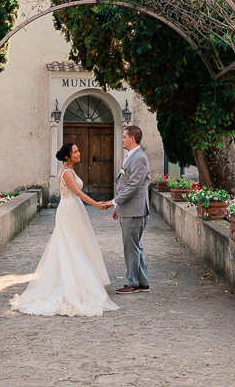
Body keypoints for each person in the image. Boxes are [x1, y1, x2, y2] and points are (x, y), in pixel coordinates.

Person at [9, 143, 119, 316]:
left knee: (76, 243)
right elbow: (79, 193)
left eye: (77, 150)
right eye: (75, 152)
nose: (79, 153)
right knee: (70, 245)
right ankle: (73, 286)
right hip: (69, 209)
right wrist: (97, 204)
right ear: (68, 156)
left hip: (73, 208)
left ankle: (78, 281)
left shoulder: (69, 170)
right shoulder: (67, 173)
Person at [111, 125, 150, 294]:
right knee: (135, 245)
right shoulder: (131, 156)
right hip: (128, 209)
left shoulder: (139, 158)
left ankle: (132, 283)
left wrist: (114, 202)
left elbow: (134, 185)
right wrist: (118, 207)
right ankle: (142, 282)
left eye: (124, 136)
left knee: (131, 247)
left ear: (132, 139)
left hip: (135, 210)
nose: (122, 139)